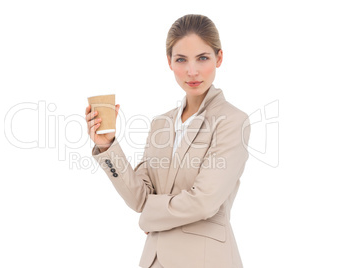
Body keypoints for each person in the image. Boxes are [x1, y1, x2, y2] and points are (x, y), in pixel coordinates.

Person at [85, 14, 251, 268]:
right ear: (169, 62)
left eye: (202, 58)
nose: (192, 71)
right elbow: (139, 198)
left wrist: (149, 218)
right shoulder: (160, 125)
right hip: (154, 261)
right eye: (181, 59)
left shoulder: (233, 121)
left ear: (218, 58)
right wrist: (107, 145)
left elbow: (204, 201)